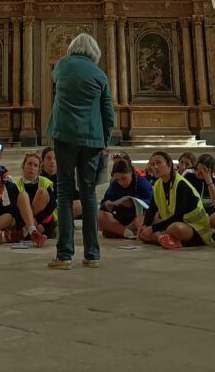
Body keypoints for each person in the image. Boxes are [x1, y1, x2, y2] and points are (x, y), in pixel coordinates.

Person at [45, 31, 115, 269]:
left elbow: (55, 80)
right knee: (88, 194)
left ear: (73, 47)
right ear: (94, 52)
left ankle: (64, 255)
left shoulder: (62, 65)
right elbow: (108, 112)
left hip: (64, 136)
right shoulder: (100, 74)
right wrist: (104, 140)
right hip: (92, 139)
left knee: (65, 193)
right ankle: (92, 254)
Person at [136, 150, 213, 250]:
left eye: (159, 163)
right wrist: (145, 225)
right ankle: (163, 239)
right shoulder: (158, 184)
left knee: (174, 228)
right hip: (170, 224)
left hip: (194, 229)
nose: (155, 167)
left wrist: (152, 229)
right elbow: (152, 209)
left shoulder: (180, 184)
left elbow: (177, 217)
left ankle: (161, 237)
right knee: (140, 220)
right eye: (153, 164)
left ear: (169, 164)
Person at [98, 154, 153, 238]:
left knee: (143, 220)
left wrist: (134, 203)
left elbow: (152, 202)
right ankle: (127, 233)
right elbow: (103, 204)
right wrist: (107, 205)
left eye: (124, 178)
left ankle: (120, 232)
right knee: (99, 215)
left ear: (131, 172)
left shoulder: (141, 182)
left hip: (136, 219)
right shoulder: (115, 184)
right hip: (119, 220)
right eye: (117, 179)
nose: (121, 182)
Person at [41, 146, 80, 220]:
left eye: (55, 158)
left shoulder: (64, 178)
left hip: (62, 209)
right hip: (46, 213)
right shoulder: (39, 179)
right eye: (48, 158)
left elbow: (74, 195)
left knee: (79, 204)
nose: (52, 161)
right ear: (43, 161)